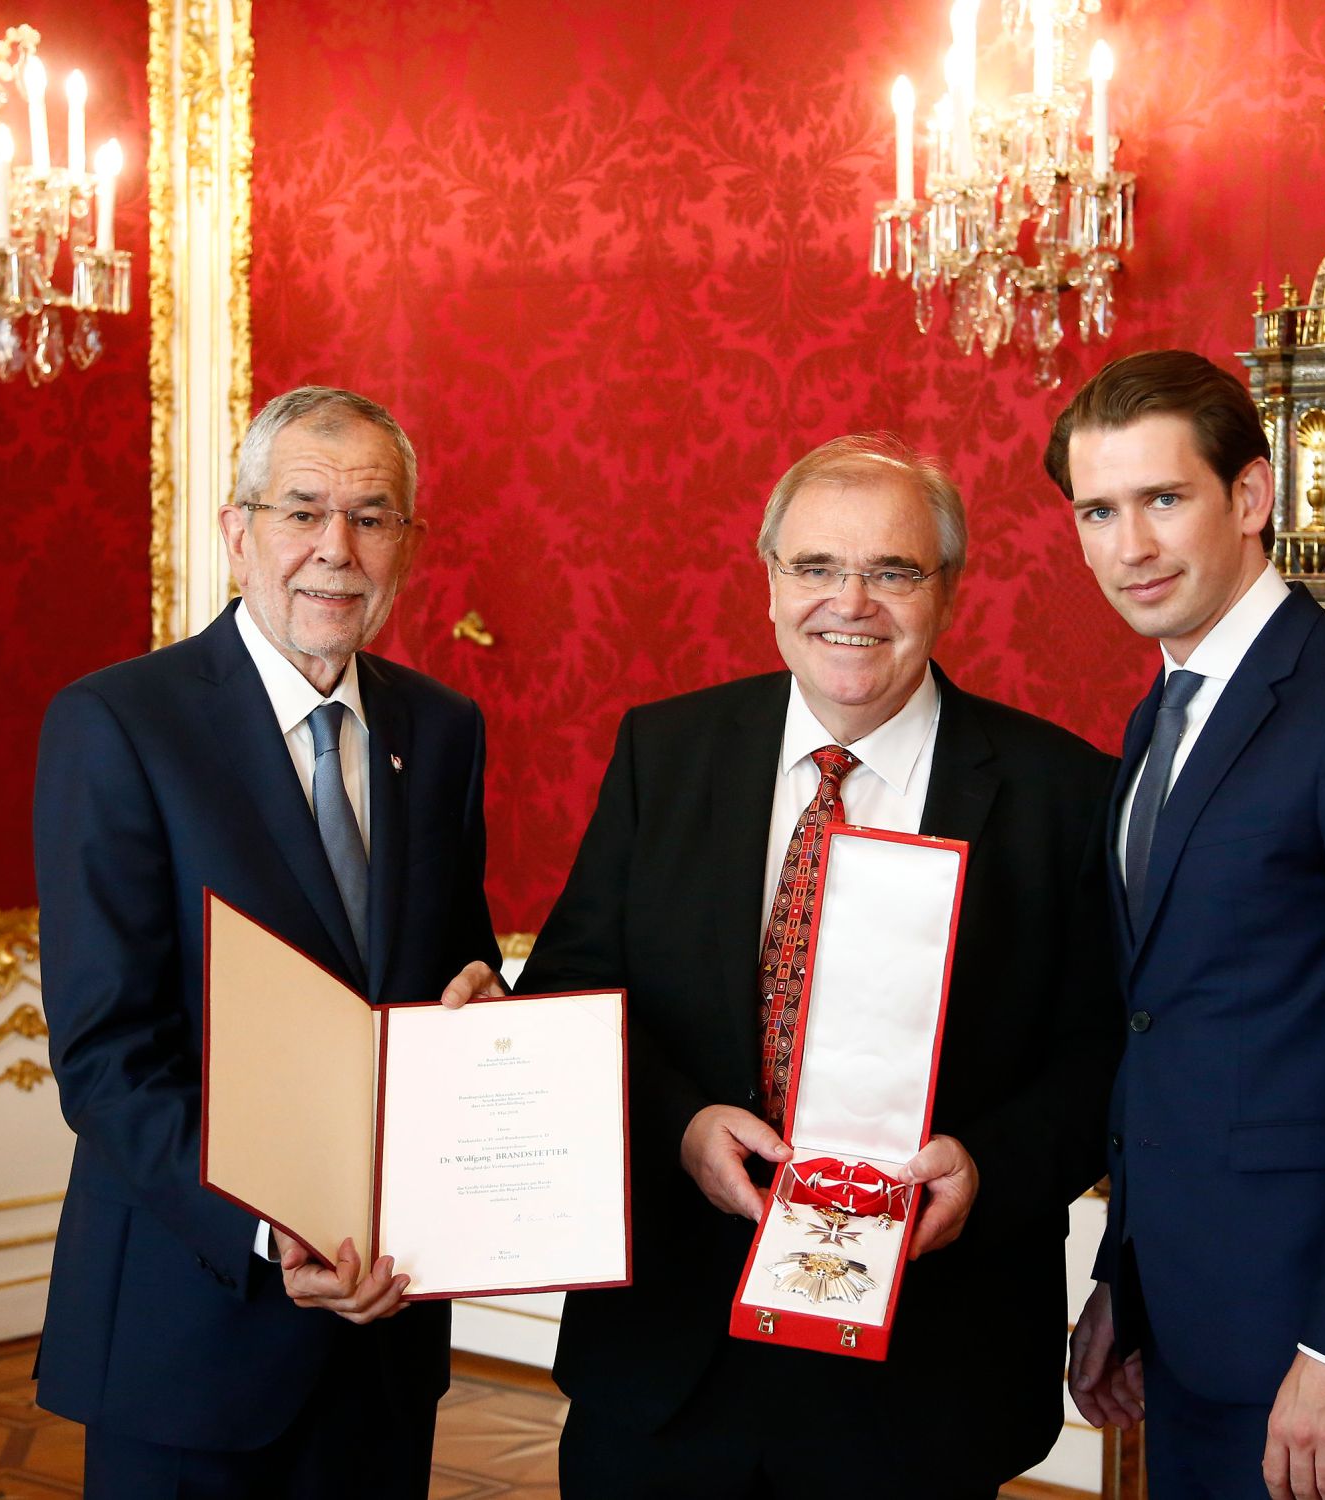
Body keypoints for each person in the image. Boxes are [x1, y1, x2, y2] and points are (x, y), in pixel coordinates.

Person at [451, 433, 1120, 1497]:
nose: (848, 601)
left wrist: (988, 1169)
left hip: (925, 1373)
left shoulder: (1065, 795)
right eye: (814, 566)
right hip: (668, 1357)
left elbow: (1099, 1052)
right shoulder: (662, 754)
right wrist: (679, 1126)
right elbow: (576, 995)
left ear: (945, 588)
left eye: (892, 571)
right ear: (768, 580)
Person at [33, 387, 504, 1498]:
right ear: (237, 530)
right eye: (301, 510)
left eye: (372, 516)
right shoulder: (118, 724)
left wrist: (480, 1021)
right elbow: (107, 1057)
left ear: (409, 545)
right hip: (189, 1326)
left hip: (384, 1333)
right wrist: (261, 1232)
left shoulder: (441, 730)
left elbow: (452, 970)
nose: (334, 551)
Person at [1043, 350, 1325, 1500]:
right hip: (1189, 1323)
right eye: (1097, 510)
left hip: (1319, 1339)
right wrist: (1123, 1283)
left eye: (1162, 499)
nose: (1128, 546)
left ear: (1247, 498)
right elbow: (1168, 1028)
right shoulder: (1161, 714)